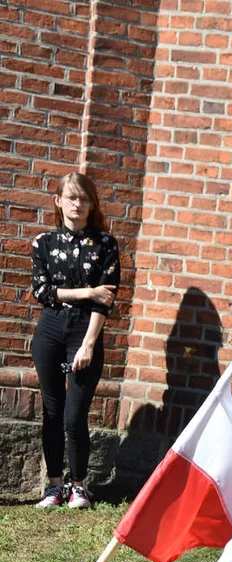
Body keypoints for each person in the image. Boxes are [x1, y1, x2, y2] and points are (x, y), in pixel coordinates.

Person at [30, 172, 120, 509]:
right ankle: (54, 486)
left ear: (92, 203)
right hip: (50, 330)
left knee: (74, 415)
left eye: (83, 198)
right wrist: (88, 290)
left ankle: (79, 486)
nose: (77, 204)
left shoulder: (106, 244)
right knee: (52, 412)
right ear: (58, 201)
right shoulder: (44, 243)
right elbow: (42, 291)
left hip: (86, 329)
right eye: (71, 197)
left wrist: (88, 344)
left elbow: (105, 300)